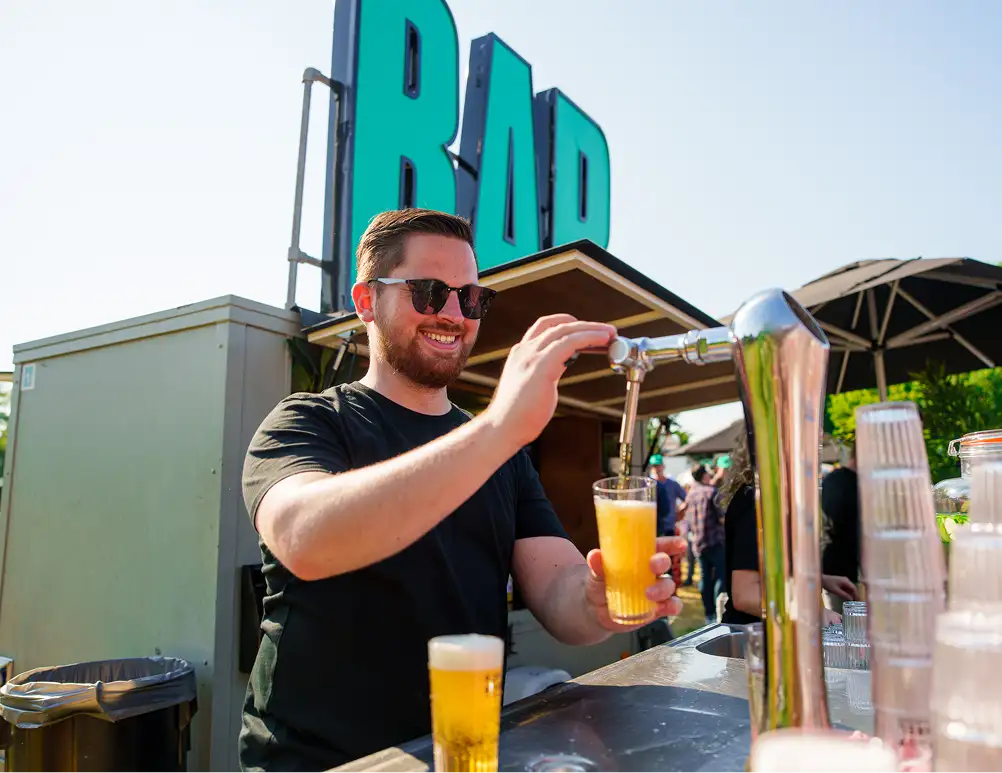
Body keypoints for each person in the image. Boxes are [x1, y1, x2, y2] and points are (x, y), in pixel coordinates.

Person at [238, 208, 687, 771]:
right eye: (429, 292)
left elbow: (560, 595)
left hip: (463, 752)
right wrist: (499, 427)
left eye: (470, 298)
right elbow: (304, 538)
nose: (453, 314)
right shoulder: (308, 421)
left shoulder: (501, 450)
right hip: (321, 762)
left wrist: (601, 601)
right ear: (366, 301)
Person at [719, 436, 856, 627]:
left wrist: (821, 579)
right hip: (756, 638)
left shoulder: (776, 497)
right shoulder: (757, 501)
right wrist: (812, 612)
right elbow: (746, 594)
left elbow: (772, 569)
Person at [821, 443, 861, 616]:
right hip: (841, 584)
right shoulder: (837, 482)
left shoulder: (870, 484)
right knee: (847, 637)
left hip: (855, 582)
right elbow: (825, 530)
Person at [684, 464, 726, 625]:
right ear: (704, 476)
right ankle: (717, 613)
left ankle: (709, 615)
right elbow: (722, 518)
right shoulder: (711, 492)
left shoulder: (691, 494)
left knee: (704, 578)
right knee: (721, 576)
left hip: (698, 543)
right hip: (715, 540)